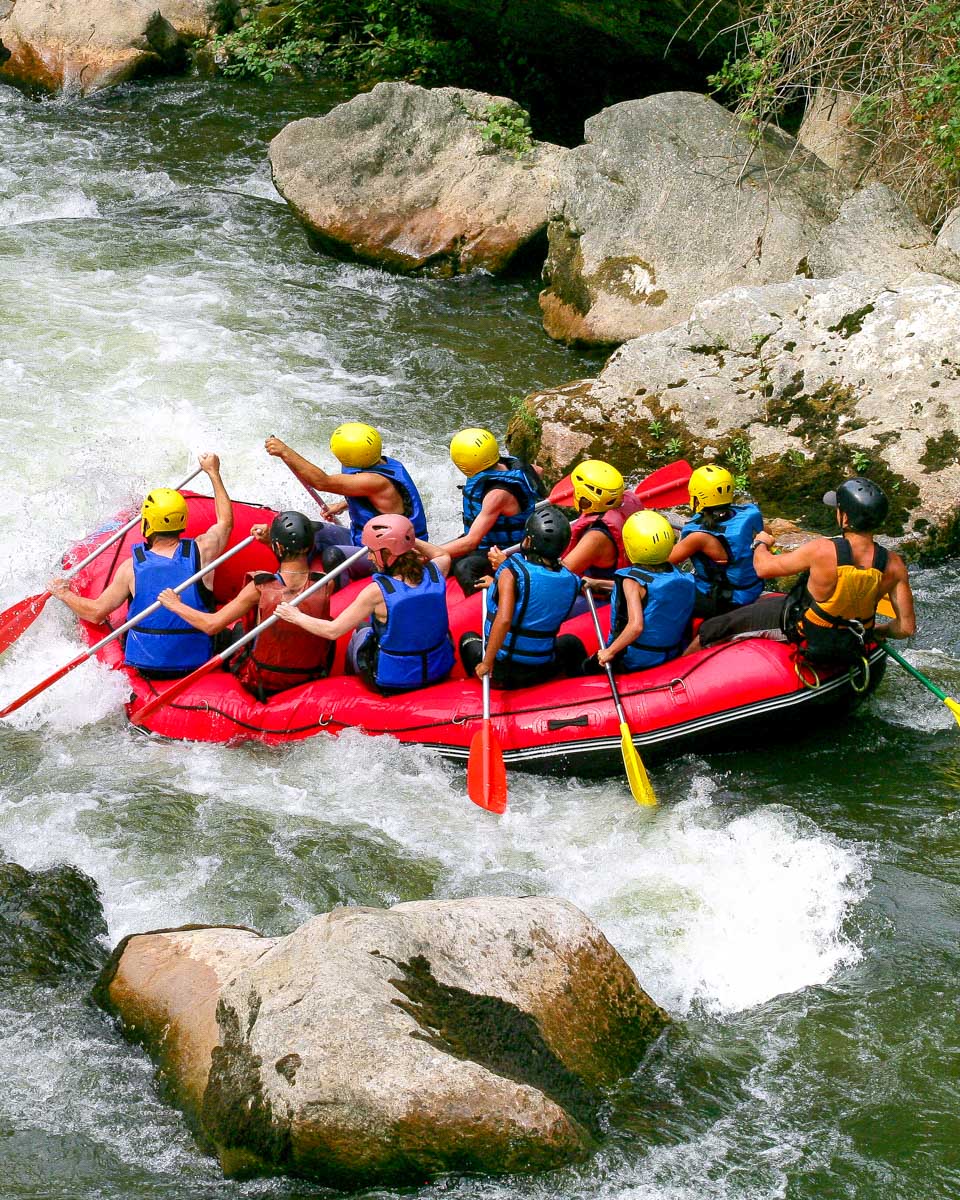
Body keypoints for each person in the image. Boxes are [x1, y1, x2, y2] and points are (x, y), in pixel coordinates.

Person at [689, 477, 916, 662]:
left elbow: (763, 568)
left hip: (804, 632)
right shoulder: (895, 564)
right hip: (853, 640)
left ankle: (672, 679)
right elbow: (905, 628)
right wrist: (874, 631)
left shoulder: (822, 550)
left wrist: (760, 543)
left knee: (710, 630)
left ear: (845, 517)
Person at [49, 454, 233, 678]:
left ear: (147, 523)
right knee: (234, 631)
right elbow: (225, 522)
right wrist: (213, 472)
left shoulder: (130, 568)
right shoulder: (204, 550)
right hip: (197, 663)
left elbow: (96, 613)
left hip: (149, 669)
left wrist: (64, 594)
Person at [156, 511, 334, 701]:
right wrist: (272, 543)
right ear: (310, 545)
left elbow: (211, 625)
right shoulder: (326, 583)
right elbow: (292, 582)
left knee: (237, 630)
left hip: (264, 682)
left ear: (279, 547)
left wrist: (175, 604)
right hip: (310, 676)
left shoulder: (259, 588)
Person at [276, 514, 455, 695]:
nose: (369, 557)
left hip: (395, 683)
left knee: (360, 631)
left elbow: (332, 631)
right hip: (439, 671)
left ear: (387, 553)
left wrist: (295, 616)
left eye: (372, 551)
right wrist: (406, 539)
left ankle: (348, 686)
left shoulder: (376, 592)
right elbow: (441, 554)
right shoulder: (436, 573)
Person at [264, 423, 428, 580]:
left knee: (333, 556)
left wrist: (285, 451)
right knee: (307, 530)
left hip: (389, 553)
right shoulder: (381, 462)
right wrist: (342, 505)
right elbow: (380, 501)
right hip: (364, 538)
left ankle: (334, 592)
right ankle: (295, 575)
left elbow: (322, 482)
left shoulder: (375, 480)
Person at [459, 506, 582, 689]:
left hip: (505, 673)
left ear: (529, 540)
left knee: (468, 638)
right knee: (571, 642)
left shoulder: (511, 572)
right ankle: (583, 678)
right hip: (543, 668)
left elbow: (504, 619)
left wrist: (486, 663)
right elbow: (536, 594)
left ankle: (471, 687)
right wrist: (497, 584)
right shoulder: (572, 580)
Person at [583, 511, 696, 673]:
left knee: (584, 664)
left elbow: (636, 627)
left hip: (635, 661)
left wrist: (610, 652)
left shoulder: (631, 581)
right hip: (670, 653)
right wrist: (597, 583)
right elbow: (648, 592)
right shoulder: (681, 577)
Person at [442, 427, 544, 595]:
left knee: (464, 568)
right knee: (442, 558)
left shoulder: (497, 495)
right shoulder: (507, 464)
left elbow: (471, 542)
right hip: (488, 541)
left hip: (507, 550)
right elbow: (538, 470)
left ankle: (489, 601)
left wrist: (429, 553)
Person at [670, 464, 765, 617]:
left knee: (665, 590)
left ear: (697, 498)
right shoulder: (748, 515)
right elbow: (767, 533)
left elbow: (664, 561)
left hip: (727, 600)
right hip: (752, 588)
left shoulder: (698, 537)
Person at [561, 459, 645, 580]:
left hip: (601, 589)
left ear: (586, 496)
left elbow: (562, 573)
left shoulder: (595, 538)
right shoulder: (621, 507)